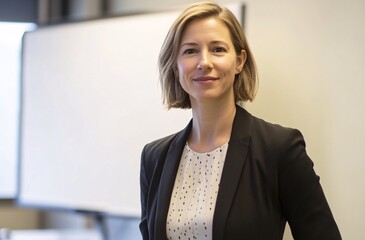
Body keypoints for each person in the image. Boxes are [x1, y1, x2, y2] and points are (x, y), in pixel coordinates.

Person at [139, 1, 341, 240]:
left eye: (218, 49)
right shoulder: (154, 158)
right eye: (190, 51)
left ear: (239, 61)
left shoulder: (279, 148)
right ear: (175, 66)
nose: (204, 62)